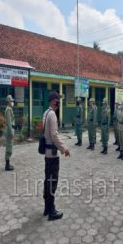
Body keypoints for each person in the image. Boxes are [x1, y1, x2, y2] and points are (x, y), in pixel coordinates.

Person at [42, 91, 70, 221]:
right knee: (52, 181)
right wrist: (64, 148)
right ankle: (51, 210)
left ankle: (47, 207)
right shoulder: (52, 114)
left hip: (47, 153)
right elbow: (54, 135)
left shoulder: (45, 113)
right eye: (58, 100)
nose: (59, 102)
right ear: (53, 101)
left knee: (48, 180)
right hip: (52, 154)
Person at [4, 95, 15, 171]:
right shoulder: (8, 110)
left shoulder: (9, 109)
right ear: (8, 102)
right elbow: (9, 123)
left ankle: (8, 164)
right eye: (11, 101)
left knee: (9, 147)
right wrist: (11, 133)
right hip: (9, 132)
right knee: (9, 148)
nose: (12, 102)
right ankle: (7, 166)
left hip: (9, 131)